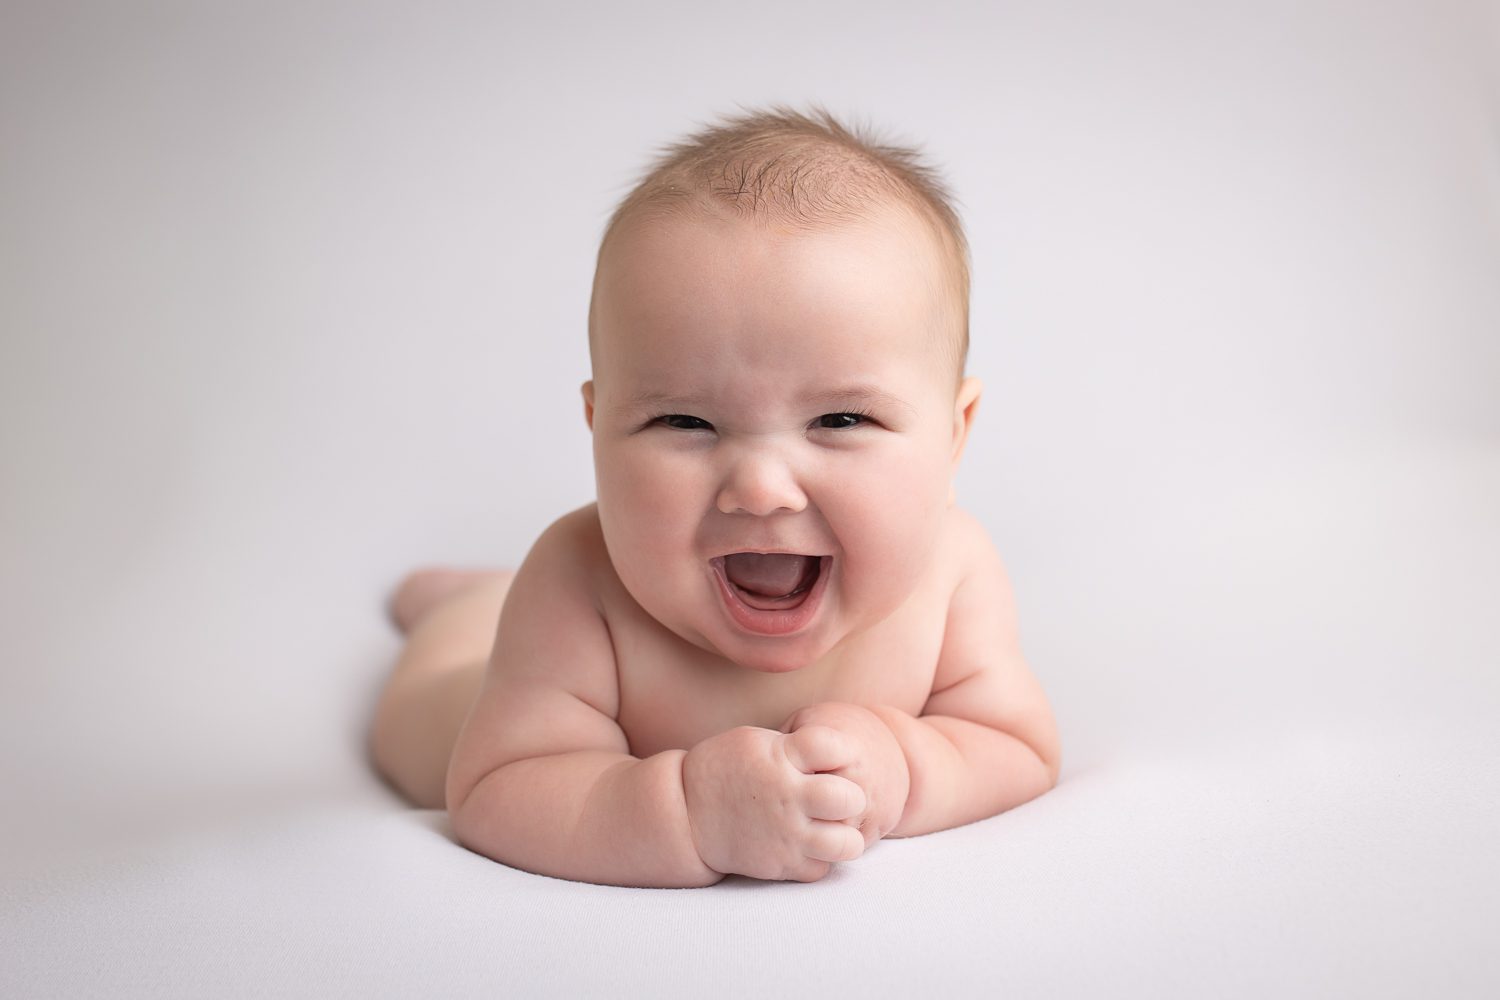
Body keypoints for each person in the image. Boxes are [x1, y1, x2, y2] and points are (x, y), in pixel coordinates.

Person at [369, 106, 1061, 887]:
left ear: (954, 435)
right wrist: (688, 814)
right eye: (685, 420)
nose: (762, 488)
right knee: (464, 645)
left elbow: (1015, 746)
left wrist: (906, 767)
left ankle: (483, 594)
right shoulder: (577, 577)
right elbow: (499, 790)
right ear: (598, 427)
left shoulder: (953, 570)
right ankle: (458, 608)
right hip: (458, 692)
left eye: (840, 419)